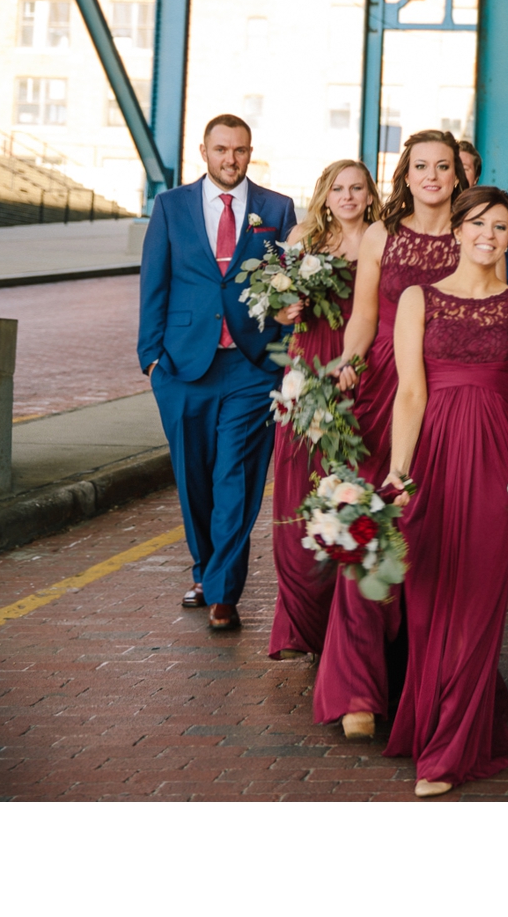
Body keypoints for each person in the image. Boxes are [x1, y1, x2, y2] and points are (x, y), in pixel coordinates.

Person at [382, 186, 508, 797]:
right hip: (433, 459)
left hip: (496, 461)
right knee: (428, 602)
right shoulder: (418, 300)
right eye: (480, 223)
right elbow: (410, 393)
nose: (490, 236)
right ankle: (438, 724)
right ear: (457, 230)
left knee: (478, 602)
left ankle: (448, 753)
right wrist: (399, 471)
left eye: (502, 228)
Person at [312, 129, 467, 739]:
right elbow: (365, 316)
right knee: (369, 525)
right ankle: (356, 689)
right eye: (421, 166)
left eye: (444, 167)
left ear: (457, 175)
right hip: (382, 387)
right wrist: (347, 364)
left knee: (431, 531)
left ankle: (416, 672)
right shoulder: (382, 235)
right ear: (406, 175)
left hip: (448, 389)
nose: (432, 176)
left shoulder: (473, 231)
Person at [138, 115, 299, 632]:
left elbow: (288, 283)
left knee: (237, 477)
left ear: (252, 153)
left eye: (241, 151)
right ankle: (206, 568)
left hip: (252, 367)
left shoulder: (277, 209)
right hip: (184, 365)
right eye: (221, 150)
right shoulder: (170, 206)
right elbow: (154, 282)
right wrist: (152, 359)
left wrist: (283, 352)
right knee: (195, 478)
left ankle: (224, 591)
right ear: (203, 151)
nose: (231, 159)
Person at [267, 158, 381, 661]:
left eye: (358, 188)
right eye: (339, 188)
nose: (349, 197)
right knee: (299, 480)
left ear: (371, 195)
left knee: (353, 478)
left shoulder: (383, 240)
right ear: (325, 194)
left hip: (364, 366)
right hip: (309, 365)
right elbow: (275, 303)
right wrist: (283, 309)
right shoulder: (302, 240)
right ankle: (301, 617)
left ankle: (347, 615)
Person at [457, 139, 508, 281]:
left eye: (464, 169)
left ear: (476, 178)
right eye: (451, 167)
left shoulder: (494, 215)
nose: (457, 173)